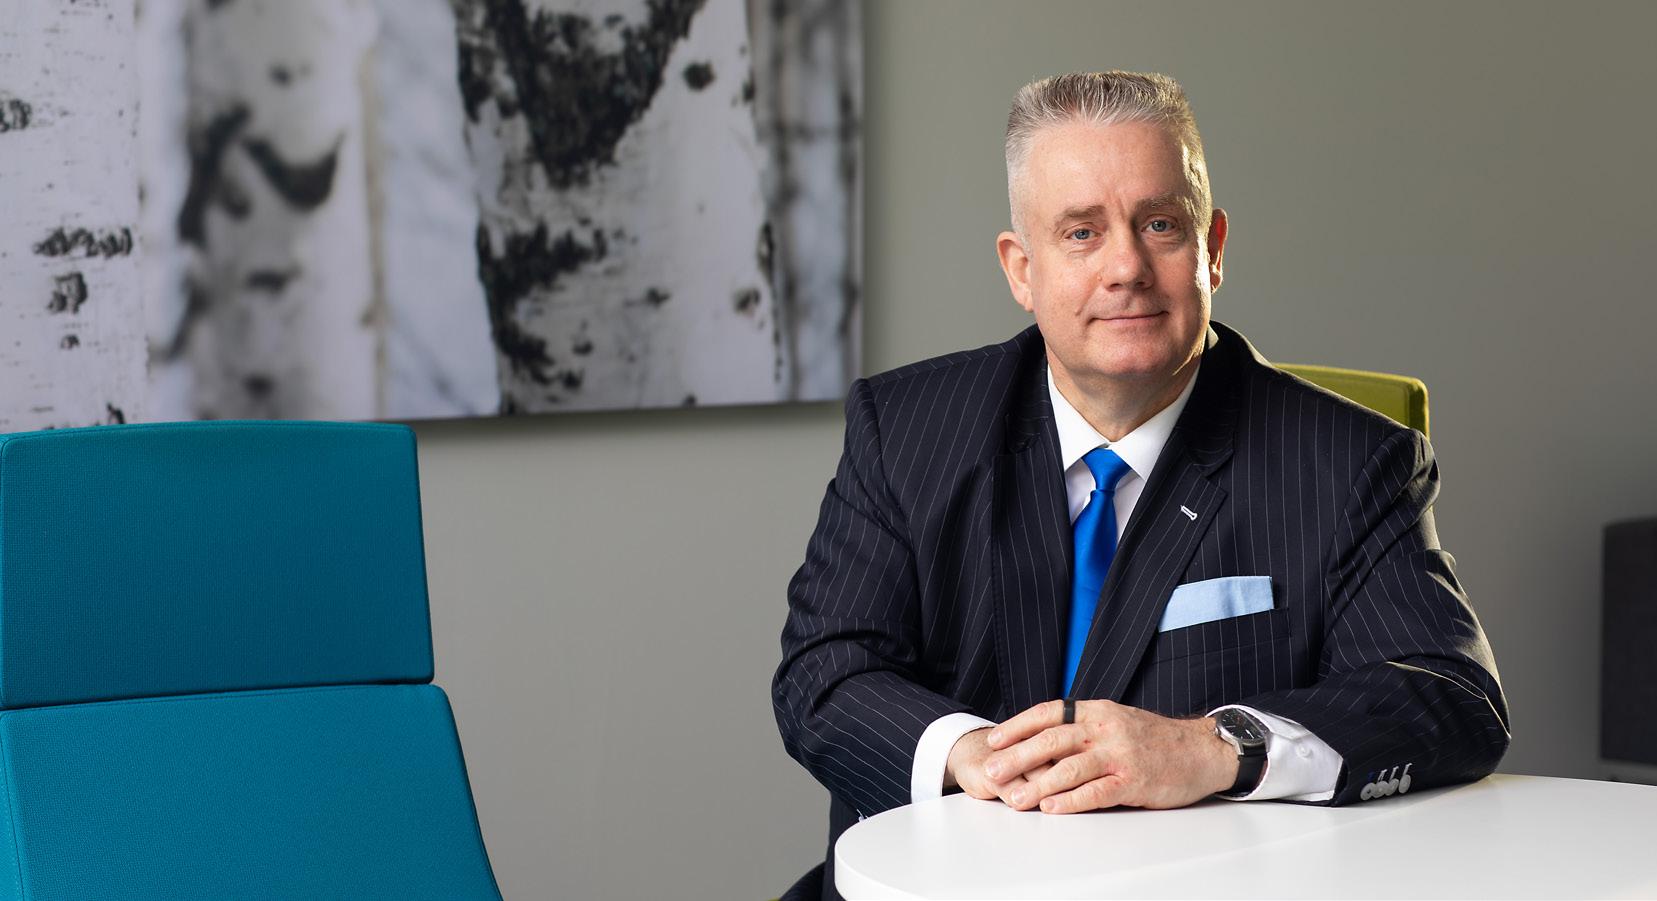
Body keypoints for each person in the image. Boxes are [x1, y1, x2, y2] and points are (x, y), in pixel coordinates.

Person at [772, 70, 1508, 901]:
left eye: (1159, 224)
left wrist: (1211, 747)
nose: (1126, 266)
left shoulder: (1348, 461)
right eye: (1081, 233)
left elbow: (1449, 697)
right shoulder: (905, 428)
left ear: (1212, 248)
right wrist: (971, 753)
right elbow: (825, 670)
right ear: (1021, 269)